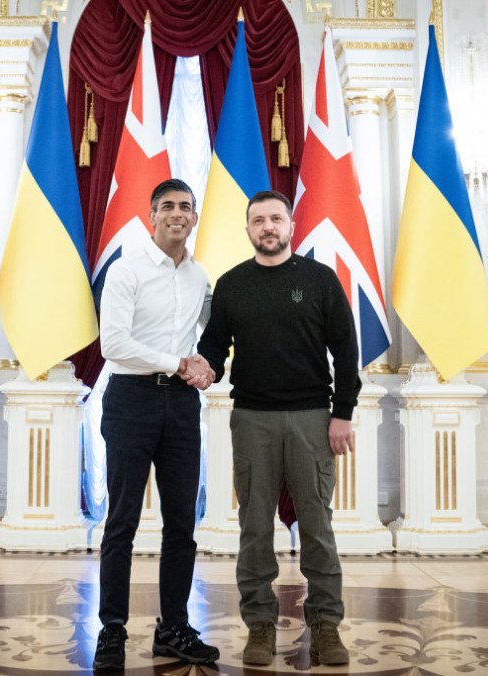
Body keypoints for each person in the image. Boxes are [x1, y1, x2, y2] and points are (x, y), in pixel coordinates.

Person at [196, 189, 359, 667]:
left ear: (291, 226)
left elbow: (346, 352)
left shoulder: (320, 280)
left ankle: (326, 625)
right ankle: (260, 627)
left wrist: (342, 413)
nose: (268, 227)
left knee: (318, 527)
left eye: (276, 219)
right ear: (248, 230)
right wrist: (200, 368)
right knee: (253, 528)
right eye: (258, 220)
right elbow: (213, 348)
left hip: (313, 419)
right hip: (251, 420)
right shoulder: (231, 285)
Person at [93, 178, 220, 670]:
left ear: (193, 218)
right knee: (121, 520)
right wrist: (178, 362)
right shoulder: (126, 272)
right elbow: (114, 345)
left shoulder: (199, 277)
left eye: (185, 207)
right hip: (131, 400)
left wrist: (204, 366)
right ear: (152, 216)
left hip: (181, 407)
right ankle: (112, 632)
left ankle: (173, 629)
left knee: (182, 523)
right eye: (167, 206)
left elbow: (212, 335)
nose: (177, 214)